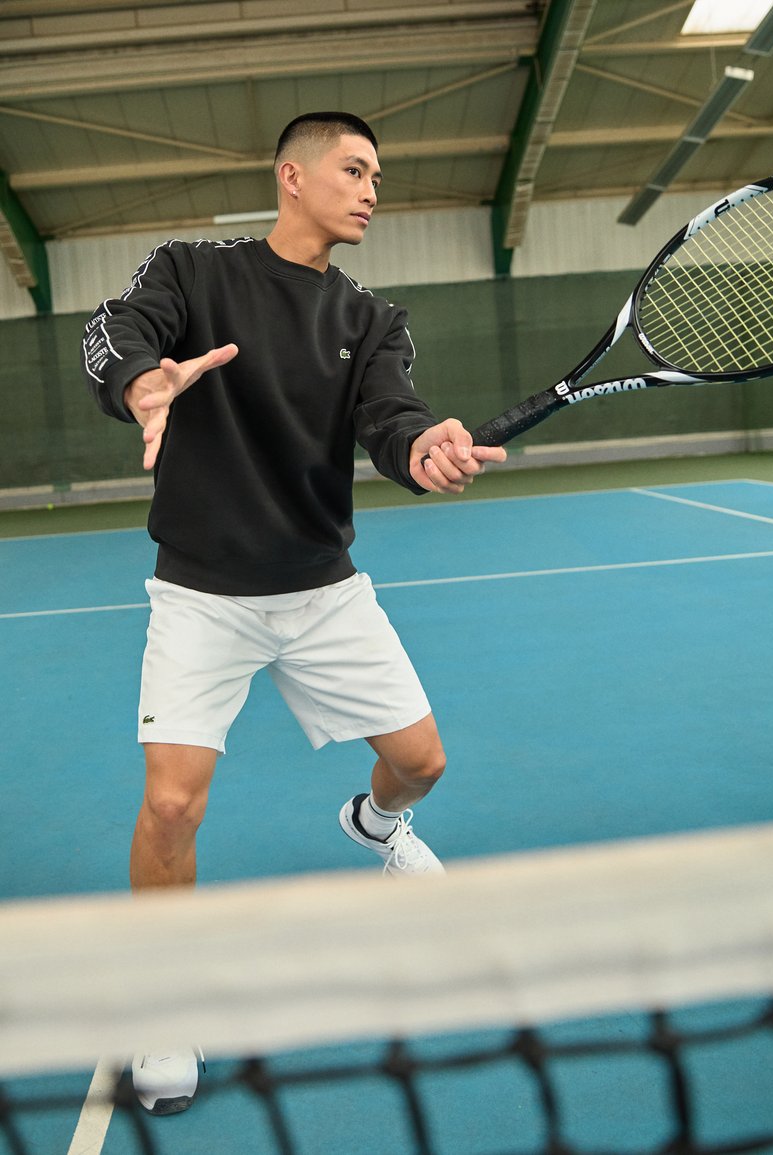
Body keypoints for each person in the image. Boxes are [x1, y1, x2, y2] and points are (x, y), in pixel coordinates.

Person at [81, 110, 506, 1115]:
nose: (370, 190)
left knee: (421, 765)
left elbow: (389, 418)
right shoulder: (191, 271)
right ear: (292, 176)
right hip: (201, 594)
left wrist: (420, 452)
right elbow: (116, 329)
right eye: (353, 170)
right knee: (174, 803)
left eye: (375, 176)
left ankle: (372, 824)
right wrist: (145, 382)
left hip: (322, 593)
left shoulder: (372, 319)